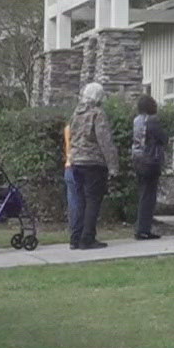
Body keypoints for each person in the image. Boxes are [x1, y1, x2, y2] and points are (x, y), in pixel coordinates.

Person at [68, 82, 118, 249]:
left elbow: (72, 136)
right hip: (93, 162)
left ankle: (75, 237)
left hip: (76, 161)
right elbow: (105, 141)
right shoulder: (98, 113)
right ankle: (87, 238)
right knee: (93, 201)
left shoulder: (76, 113)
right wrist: (113, 165)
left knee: (80, 200)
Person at [131, 94, 169, 240]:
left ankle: (141, 227)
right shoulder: (152, 120)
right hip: (150, 160)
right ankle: (143, 229)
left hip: (138, 159)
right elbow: (162, 138)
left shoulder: (137, 120)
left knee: (143, 193)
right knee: (149, 196)